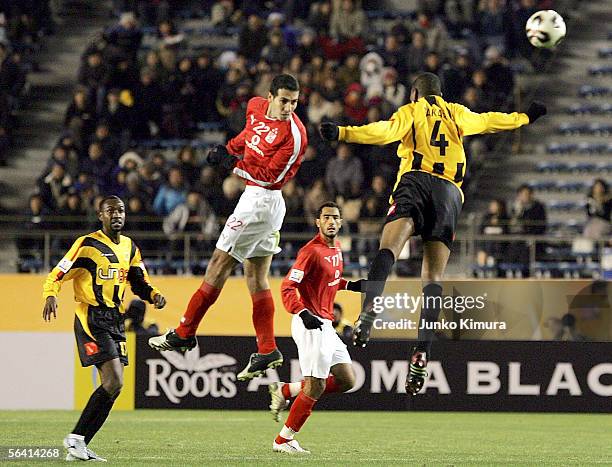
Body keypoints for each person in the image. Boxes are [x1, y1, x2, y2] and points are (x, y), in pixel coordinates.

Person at [319, 72, 547, 395]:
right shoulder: (456, 112)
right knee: (432, 277)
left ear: (414, 93)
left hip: (415, 180)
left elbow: (383, 132)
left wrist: (344, 132)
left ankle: (370, 307)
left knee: (389, 249)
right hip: (450, 194)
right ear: (440, 93)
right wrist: (525, 117)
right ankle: (422, 350)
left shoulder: (412, 112)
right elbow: (489, 122)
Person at [149, 74, 308, 381]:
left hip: (263, 200)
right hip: (256, 200)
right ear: (271, 97)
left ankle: (185, 331)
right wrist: (228, 149)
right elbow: (248, 137)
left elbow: (272, 179)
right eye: (285, 100)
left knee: (218, 264)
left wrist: (230, 165)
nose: (289, 107)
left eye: (295, 102)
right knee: (256, 276)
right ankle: (266, 350)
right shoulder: (254, 107)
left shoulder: (295, 135)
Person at [42, 195, 166, 462]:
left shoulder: (130, 248)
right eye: (110, 211)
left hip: (115, 318)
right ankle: (76, 439)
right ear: (101, 215)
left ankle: (80, 443)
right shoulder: (87, 244)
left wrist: (153, 295)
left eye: (121, 210)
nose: (117, 214)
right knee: (114, 380)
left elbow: (139, 281)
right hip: (91, 317)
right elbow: (58, 272)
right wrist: (51, 294)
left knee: (115, 386)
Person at [269, 202, 364, 454]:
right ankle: (283, 440)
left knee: (347, 379)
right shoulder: (310, 251)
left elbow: (329, 281)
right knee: (316, 385)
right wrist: (302, 312)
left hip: (326, 325)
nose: (331, 221)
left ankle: (286, 389)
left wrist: (351, 286)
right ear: (318, 222)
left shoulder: (337, 248)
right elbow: (287, 287)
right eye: (326, 217)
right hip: (310, 323)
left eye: (335, 217)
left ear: (341, 222)